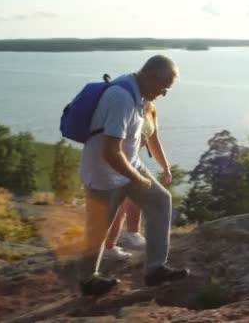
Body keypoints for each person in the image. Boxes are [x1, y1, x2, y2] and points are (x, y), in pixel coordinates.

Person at [79, 55, 189, 296]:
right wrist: (137, 178)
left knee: (160, 201)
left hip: (129, 165)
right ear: (150, 77)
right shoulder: (120, 98)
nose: (164, 93)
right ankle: (88, 281)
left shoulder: (138, 92)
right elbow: (110, 152)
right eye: (164, 87)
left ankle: (155, 270)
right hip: (104, 174)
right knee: (99, 229)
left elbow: (139, 139)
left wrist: (141, 172)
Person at [103, 101, 171, 261]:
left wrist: (165, 167)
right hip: (116, 161)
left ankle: (130, 234)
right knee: (118, 206)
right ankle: (108, 247)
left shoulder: (151, 109)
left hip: (132, 160)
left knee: (135, 200)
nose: (161, 94)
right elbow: (112, 136)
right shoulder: (128, 105)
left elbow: (154, 141)